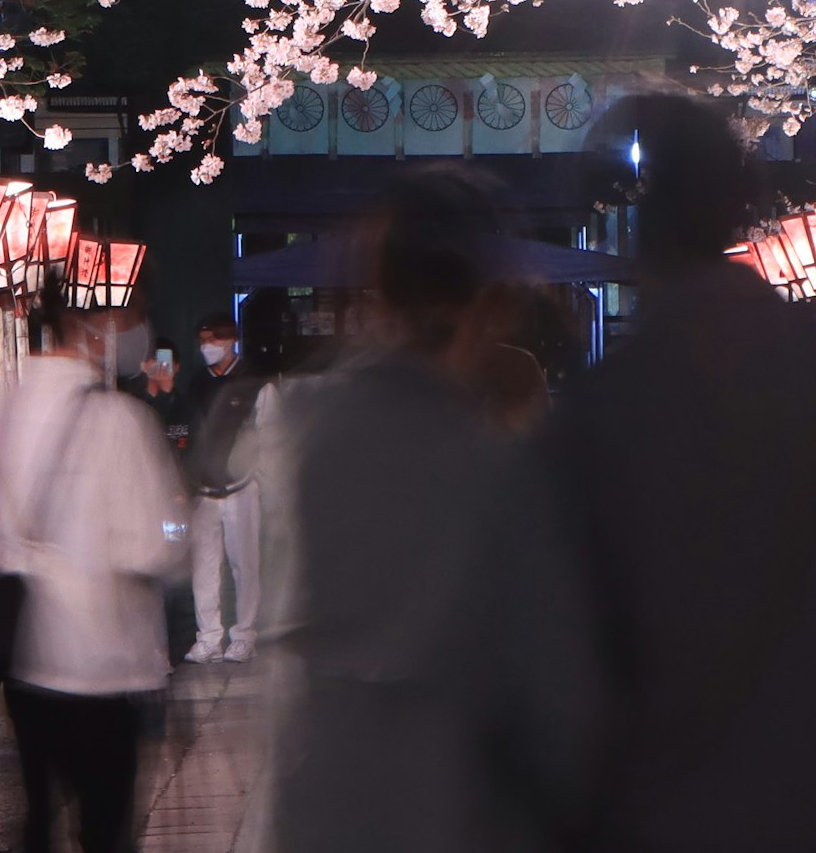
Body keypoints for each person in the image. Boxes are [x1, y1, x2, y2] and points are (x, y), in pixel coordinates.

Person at [547, 95, 816, 853]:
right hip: (802, 778)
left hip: (645, 796)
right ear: (740, 203)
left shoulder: (606, 407)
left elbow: (561, 645)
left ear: (637, 228)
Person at [249, 171, 592, 853]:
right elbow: (561, 692)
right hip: (451, 804)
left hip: (320, 794)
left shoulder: (306, 427)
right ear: (488, 300)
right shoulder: (490, 465)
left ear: (372, 287)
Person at [0, 281, 186, 853]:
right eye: (130, 315)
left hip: (26, 653)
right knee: (103, 826)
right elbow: (151, 546)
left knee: (39, 818)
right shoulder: (118, 418)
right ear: (93, 324)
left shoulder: (10, 408)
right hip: (102, 661)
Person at [187, 311, 269, 662]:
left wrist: (261, 480)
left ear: (231, 340)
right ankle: (208, 636)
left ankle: (245, 634)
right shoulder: (195, 385)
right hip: (203, 491)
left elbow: (270, 435)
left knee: (244, 565)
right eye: (203, 341)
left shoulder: (256, 385)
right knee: (204, 568)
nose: (208, 347)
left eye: (214, 339)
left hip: (241, 487)